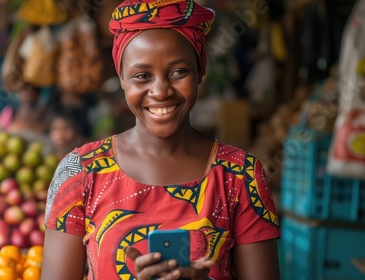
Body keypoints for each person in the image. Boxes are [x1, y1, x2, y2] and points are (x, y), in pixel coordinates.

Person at [42, 1, 281, 279]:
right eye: (142, 76)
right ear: (121, 78)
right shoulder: (79, 172)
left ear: (200, 70)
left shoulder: (241, 176)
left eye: (179, 72)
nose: (160, 91)